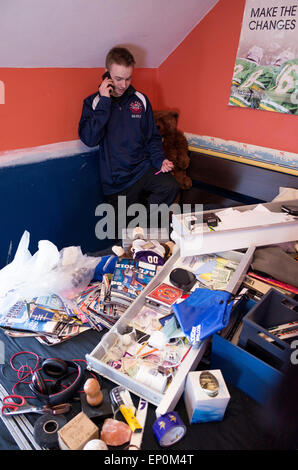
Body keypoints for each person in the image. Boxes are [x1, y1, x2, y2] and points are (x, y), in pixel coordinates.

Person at [78, 47, 179, 237]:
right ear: (108, 74)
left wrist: (160, 160)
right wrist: (104, 103)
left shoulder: (140, 100)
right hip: (117, 180)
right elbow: (89, 139)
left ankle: (145, 229)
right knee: (125, 237)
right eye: (118, 79)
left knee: (170, 186)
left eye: (128, 78)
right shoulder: (93, 102)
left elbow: (152, 137)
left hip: (142, 169)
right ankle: (138, 235)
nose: (124, 84)